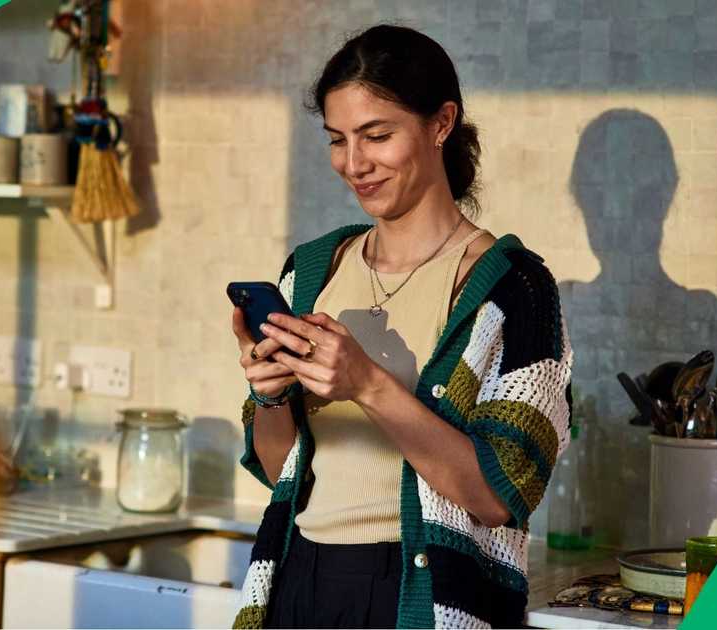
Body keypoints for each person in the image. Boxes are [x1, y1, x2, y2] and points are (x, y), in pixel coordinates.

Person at [229, 25, 574, 629]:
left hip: (421, 596)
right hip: (299, 580)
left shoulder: (513, 289)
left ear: (441, 123)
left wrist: (367, 384)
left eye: (377, 135)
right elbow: (280, 467)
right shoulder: (312, 272)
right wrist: (270, 394)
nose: (354, 164)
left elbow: (501, 494)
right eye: (337, 140)